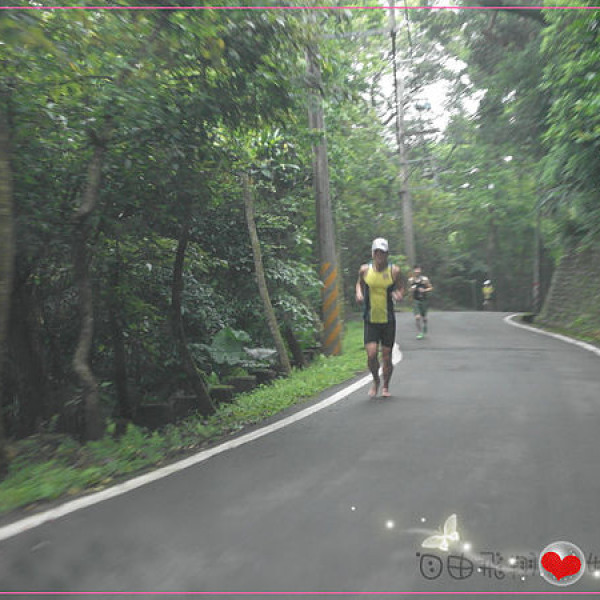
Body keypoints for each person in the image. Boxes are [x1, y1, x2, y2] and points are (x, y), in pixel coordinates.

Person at [355, 238, 404, 398]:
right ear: (372, 253)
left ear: (387, 254)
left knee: (387, 356)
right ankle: (376, 380)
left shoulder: (394, 271)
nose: (379, 255)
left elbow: (401, 288)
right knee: (371, 355)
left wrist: (399, 295)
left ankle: (386, 386)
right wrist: (359, 293)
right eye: (376, 252)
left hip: (388, 320)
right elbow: (359, 284)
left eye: (382, 252)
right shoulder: (364, 270)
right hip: (370, 319)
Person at [408, 265, 433, 339]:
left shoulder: (424, 279)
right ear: (413, 271)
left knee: (424, 317)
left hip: (424, 300)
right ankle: (420, 332)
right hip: (416, 300)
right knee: (417, 317)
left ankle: (425, 326)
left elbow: (431, 287)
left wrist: (424, 290)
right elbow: (408, 290)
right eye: (416, 270)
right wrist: (411, 290)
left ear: (420, 271)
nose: (417, 271)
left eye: (418, 270)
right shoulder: (411, 280)